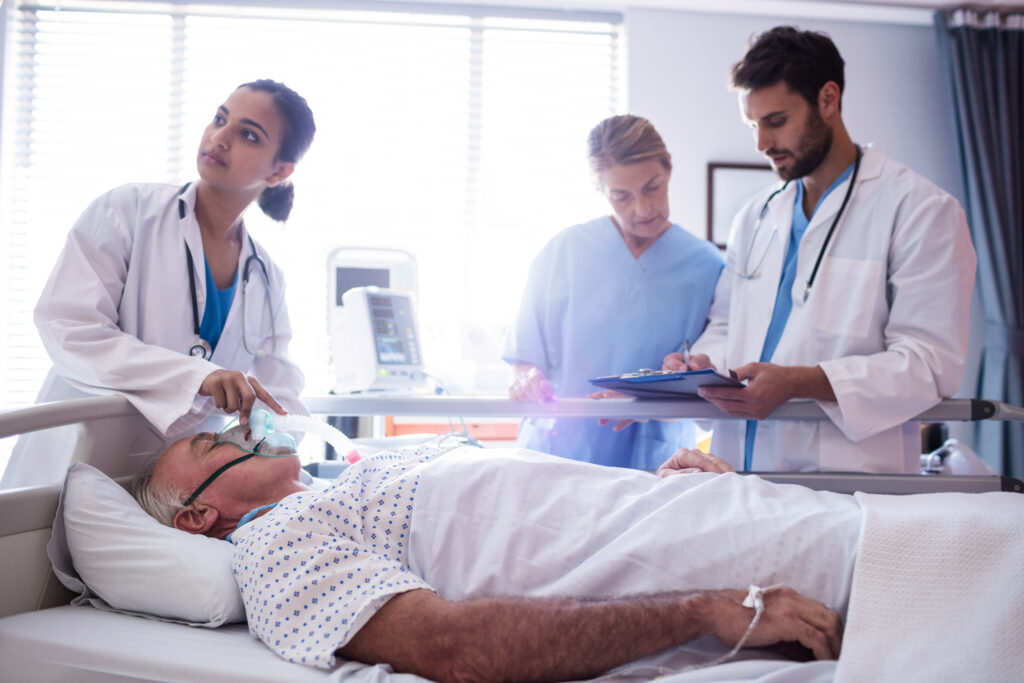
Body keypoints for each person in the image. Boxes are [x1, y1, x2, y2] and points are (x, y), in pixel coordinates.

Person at [134, 429, 852, 679]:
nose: (242, 431)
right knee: (902, 567)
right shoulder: (272, 549)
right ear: (201, 513)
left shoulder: (347, 478)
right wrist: (704, 605)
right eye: (216, 443)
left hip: (674, 513)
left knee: (923, 539)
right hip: (686, 561)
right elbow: (457, 648)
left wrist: (659, 486)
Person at [663, 26, 977, 473]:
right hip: (734, 472)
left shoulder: (921, 210)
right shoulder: (754, 216)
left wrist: (802, 382)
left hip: (846, 485)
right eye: (753, 125)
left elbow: (930, 365)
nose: (761, 144)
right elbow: (727, 325)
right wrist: (700, 363)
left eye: (776, 121)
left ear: (828, 100)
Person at [1, 79, 316, 489]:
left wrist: (270, 443)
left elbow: (282, 393)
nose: (219, 138)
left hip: (178, 488)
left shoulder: (265, 275)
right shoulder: (128, 212)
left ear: (280, 171)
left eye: (248, 134)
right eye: (220, 119)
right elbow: (69, 328)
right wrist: (194, 376)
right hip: (75, 462)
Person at [502, 114, 724, 469]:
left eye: (652, 187)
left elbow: (707, 371)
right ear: (600, 190)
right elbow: (524, 360)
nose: (642, 209)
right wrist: (527, 381)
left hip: (655, 461)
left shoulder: (708, 266)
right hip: (555, 452)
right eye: (621, 196)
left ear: (668, 168)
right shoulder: (562, 252)